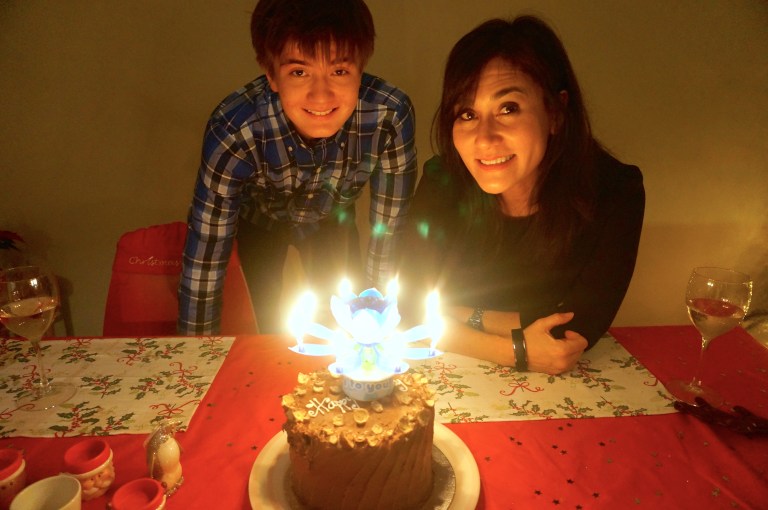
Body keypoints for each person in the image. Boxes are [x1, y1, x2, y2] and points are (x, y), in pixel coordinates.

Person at [399, 16, 644, 375]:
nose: (485, 138)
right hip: (449, 373)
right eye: (467, 113)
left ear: (556, 112)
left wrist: (456, 314)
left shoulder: (615, 193)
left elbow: (576, 329)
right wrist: (517, 349)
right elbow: (405, 307)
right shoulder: (443, 180)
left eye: (508, 109)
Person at [178, 0, 417, 334]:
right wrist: (196, 356)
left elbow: (388, 231)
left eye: (339, 71)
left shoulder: (388, 117)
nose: (321, 96)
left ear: (360, 68)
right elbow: (207, 251)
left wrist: (378, 324)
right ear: (271, 72)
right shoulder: (235, 131)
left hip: (334, 217)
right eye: (299, 72)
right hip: (258, 220)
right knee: (260, 320)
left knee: (344, 317)